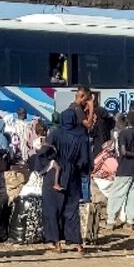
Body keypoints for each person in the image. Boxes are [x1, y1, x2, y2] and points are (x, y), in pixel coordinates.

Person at [43, 108, 89, 253]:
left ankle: (56, 243)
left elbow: (45, 153)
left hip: (55, 173)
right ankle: (77, 243)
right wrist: (79, 170)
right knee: (72, 209)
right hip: (73, 174)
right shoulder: (81, 136)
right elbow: (85, 159)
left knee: (53, 208)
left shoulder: (55, 133)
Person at [105, 111, 134, 228]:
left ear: (126, 120)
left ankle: (111, 220)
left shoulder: (123, 134)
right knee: (133, 195)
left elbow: (123, 152)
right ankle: (130, 221)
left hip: (125, 168)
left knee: (116, 194)